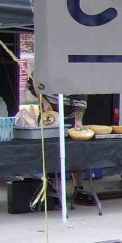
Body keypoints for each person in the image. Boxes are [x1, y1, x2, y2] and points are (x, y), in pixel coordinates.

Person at [26, 77, 94, 206]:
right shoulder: (42, 70)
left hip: (69, 117)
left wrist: (78, 120)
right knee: (51, 154)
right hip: (48, 117)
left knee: (74, 154)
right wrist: (44, 101)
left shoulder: (76, 77)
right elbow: (31, 85)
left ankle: (79, 191)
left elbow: (80, 102)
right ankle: (51, 193)